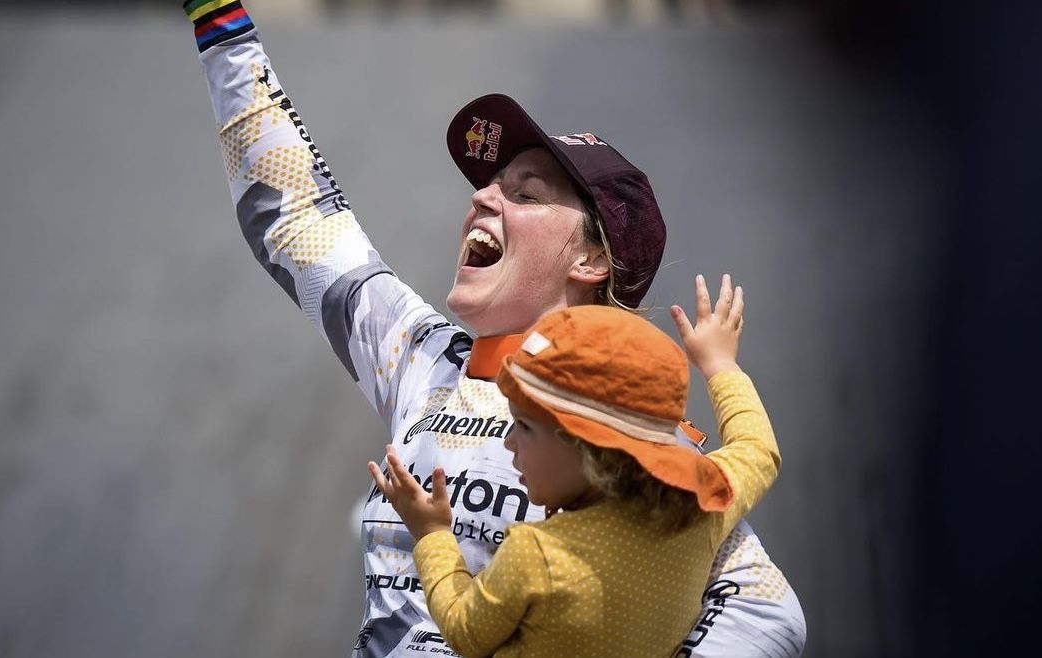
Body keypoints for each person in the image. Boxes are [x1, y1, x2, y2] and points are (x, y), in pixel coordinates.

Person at [181, 1, 806, 655]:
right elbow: (298, 216)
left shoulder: (643, 440)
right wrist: (221, 24)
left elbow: (767, 616)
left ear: (593, 260)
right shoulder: (423, 355)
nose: (481, 196)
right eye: (489, 185)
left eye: (526, 193)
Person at [370, 278, 780, 657]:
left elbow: (463, 632)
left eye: (525, 427)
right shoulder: (701, 509)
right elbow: (758, 450)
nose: (509, 441)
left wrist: (432, 533)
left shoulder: (536, 556)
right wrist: (720, 364)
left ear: (590, 450)